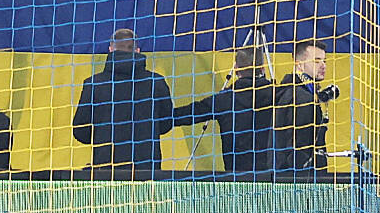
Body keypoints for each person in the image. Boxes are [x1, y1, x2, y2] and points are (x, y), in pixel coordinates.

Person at [71, 28, 174, 175]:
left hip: (106, 166)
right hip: (146, 167)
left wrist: (102, 135)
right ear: (137, 50)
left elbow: (80, 130)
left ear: (110, 50)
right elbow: (166, 124)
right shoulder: (156, 82)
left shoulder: (94, 84)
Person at [168, 43, 281, 174]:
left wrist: (157, 116)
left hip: (236, 177)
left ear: (236, 69)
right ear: (262, 69)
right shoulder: (278, 96)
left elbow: (188, 113)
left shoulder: (225, 100)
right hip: (272, 178)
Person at [274, 41, 339, 174]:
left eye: (324, 61)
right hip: (302, 181)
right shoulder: (302, 98)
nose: (323, 66)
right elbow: (299, 149)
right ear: (299, 64)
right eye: (316, 61)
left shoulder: (291, 91)